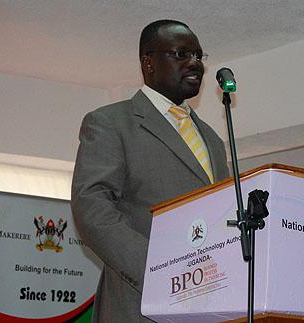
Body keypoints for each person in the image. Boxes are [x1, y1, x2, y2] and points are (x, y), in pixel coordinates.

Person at [71, 19, 229, 322]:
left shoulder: (212, 139)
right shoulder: (111, 123)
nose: (195, 63)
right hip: (141, 304)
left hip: (210, 302)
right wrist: (161, 269)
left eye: (198, 55)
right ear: (149, 63)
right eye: (181, 54)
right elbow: (91, 207)